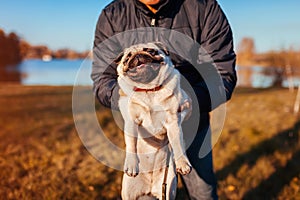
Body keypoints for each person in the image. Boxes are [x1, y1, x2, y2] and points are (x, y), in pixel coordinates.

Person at [91, 0, 237, 199]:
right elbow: (102, 79)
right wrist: (126, 100)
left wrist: (190, 102)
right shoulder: (113, 15)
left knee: (203, 193)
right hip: (143, 136)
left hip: (193, 123)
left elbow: (222, 73)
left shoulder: (203, 7)